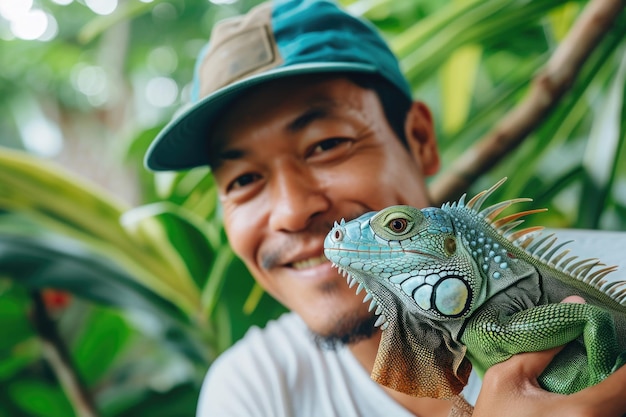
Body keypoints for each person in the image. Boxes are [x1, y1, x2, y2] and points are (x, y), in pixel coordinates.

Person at [145, 0, 626, 416]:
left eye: (326, 144)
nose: (292, 212)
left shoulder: (616, 270)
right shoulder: (256, 391)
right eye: (244, 179)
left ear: (418, 140)